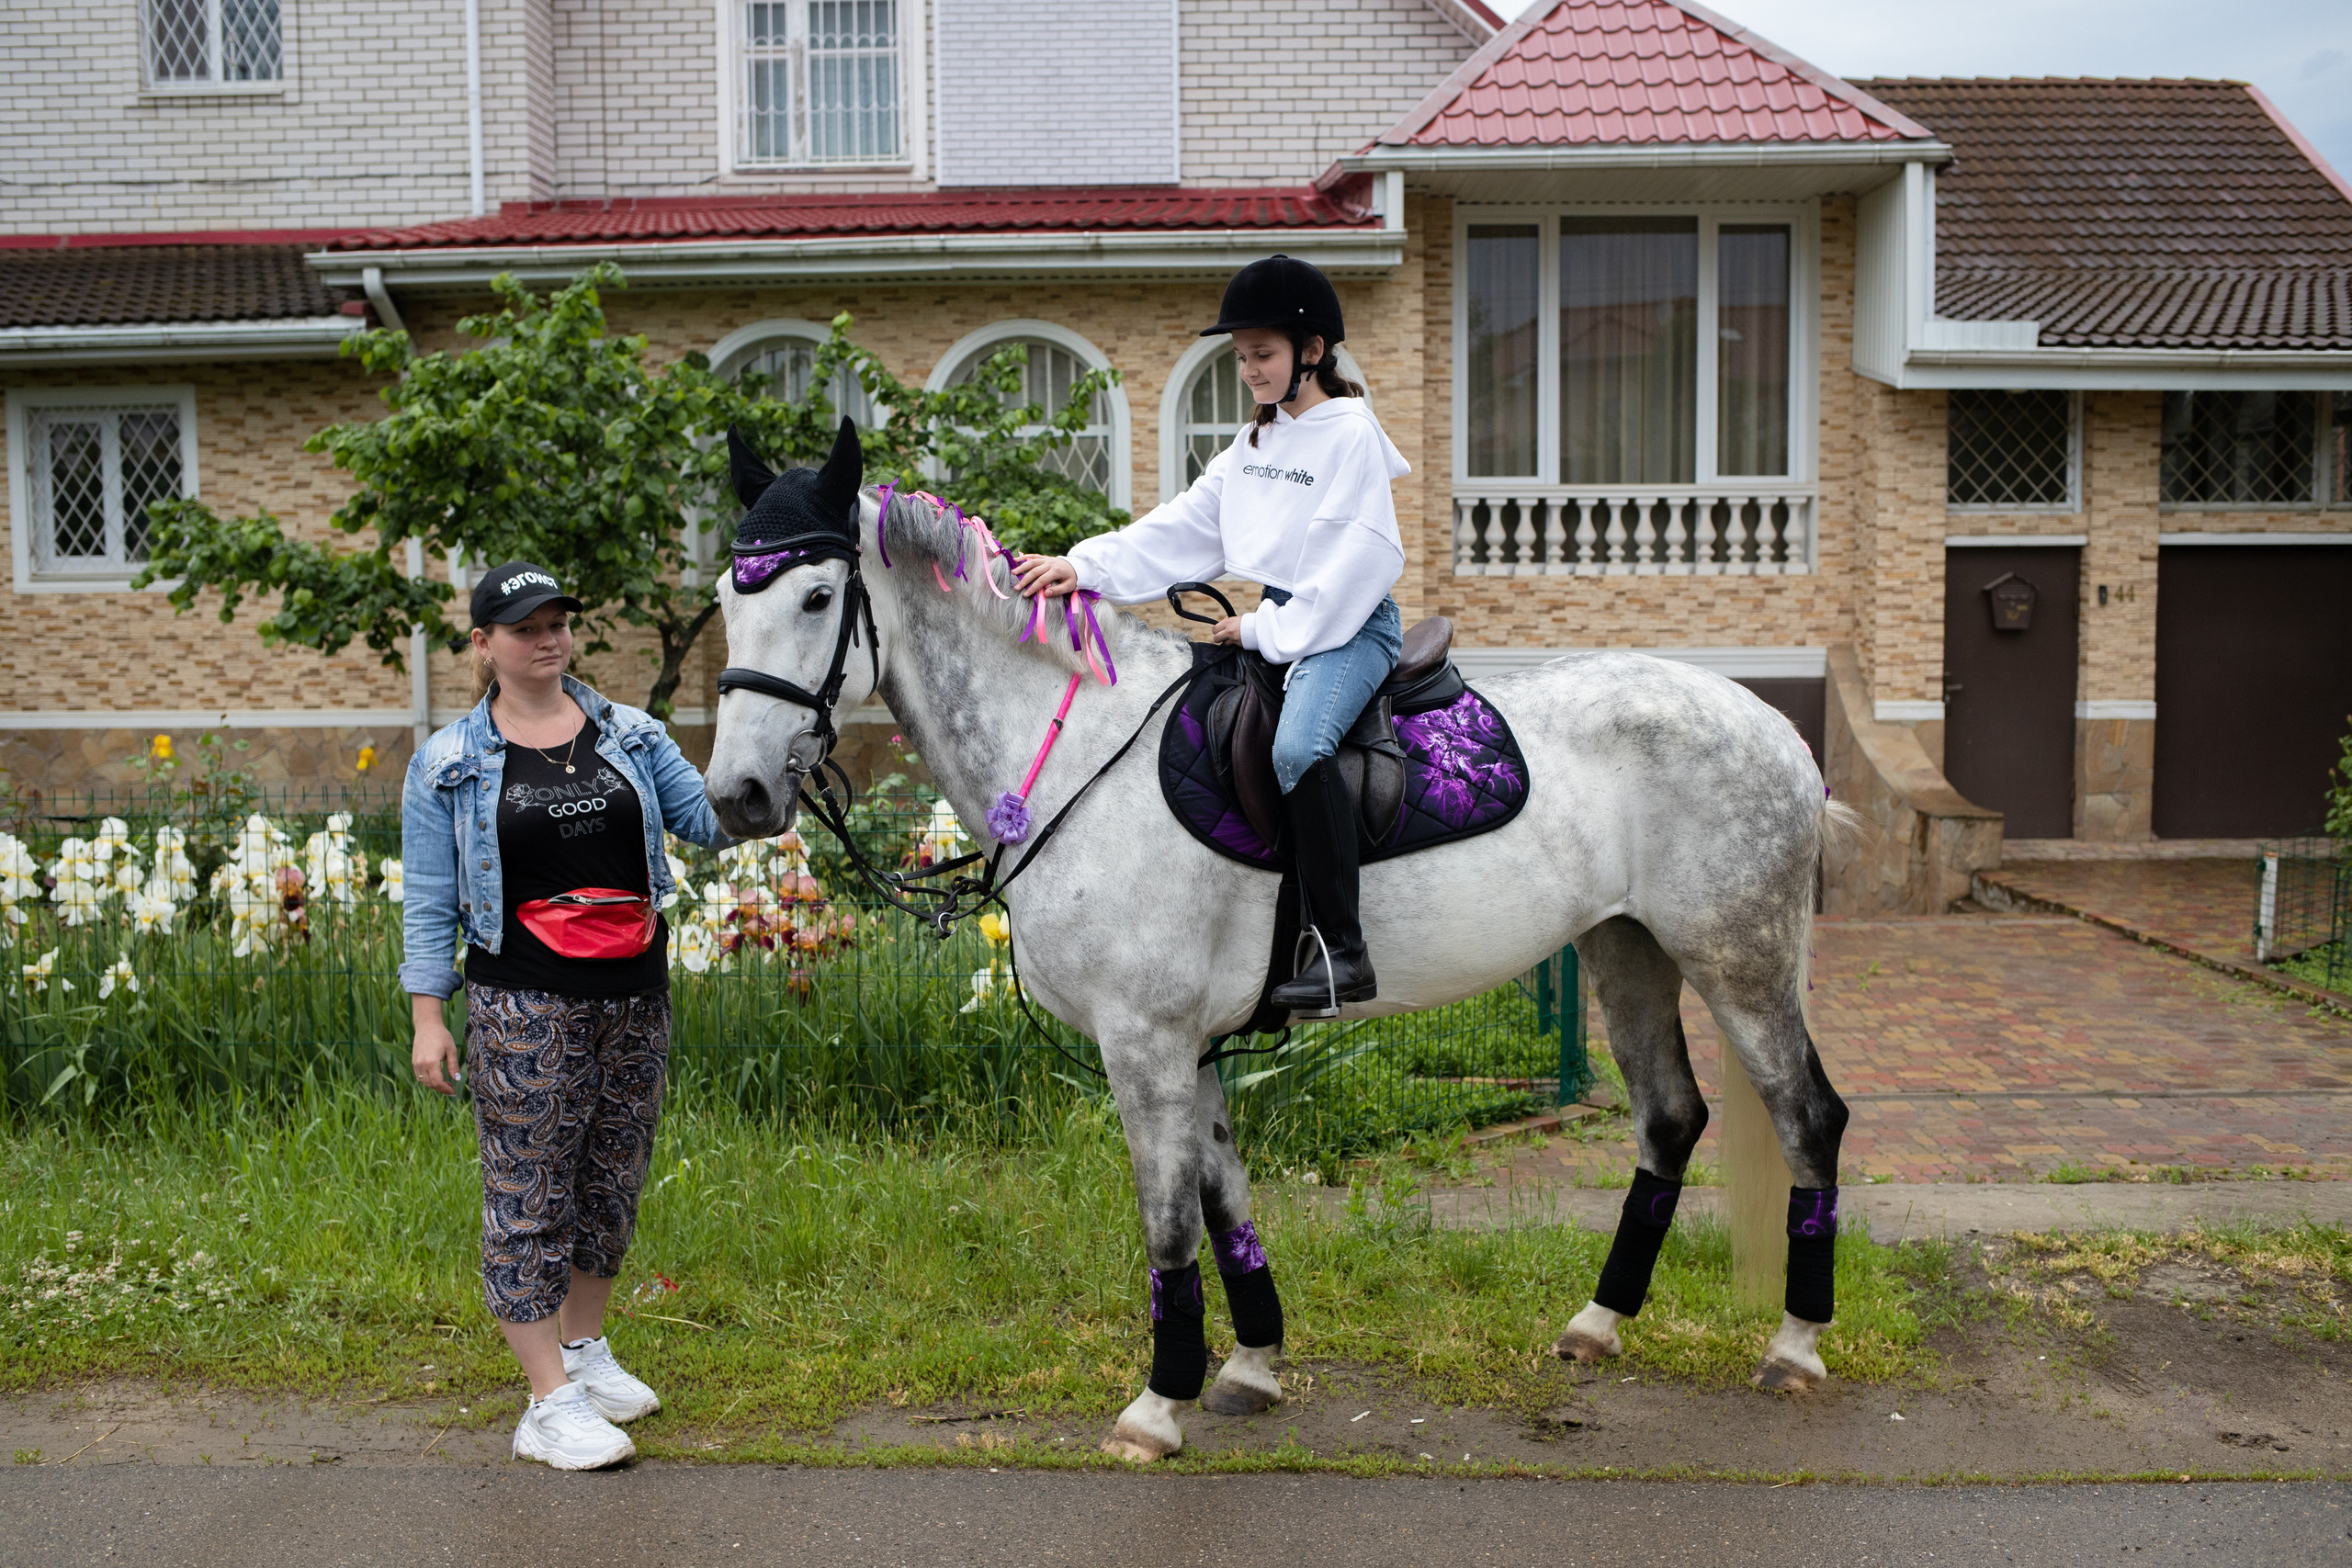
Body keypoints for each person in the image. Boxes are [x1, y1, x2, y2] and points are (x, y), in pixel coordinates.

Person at [1012, 254, 1408, 1013]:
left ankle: (1345, 955)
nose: (1250, 370)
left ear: (1311, 352)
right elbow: (1188, 525)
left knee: (1297, 746)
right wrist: (1081, 565)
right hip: (1284, 618)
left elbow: (1354, 569)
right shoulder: (1256, 440)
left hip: (1348, 625)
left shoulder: (1350, 435)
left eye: (1263, 354)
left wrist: (1263, 627)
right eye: (1242, 358)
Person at [401, 561, 729, 1471]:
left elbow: (704, 821)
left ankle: (582, 1352)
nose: (546, 639)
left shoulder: (630, 732)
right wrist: (430, 1018)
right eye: (523, 626)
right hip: (523, 1002)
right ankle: (545, 1404)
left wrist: (769, 764)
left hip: (634, 993)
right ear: (482, 643)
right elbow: (429, 904)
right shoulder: (450, 763)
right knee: (528, 1194)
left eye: (557, 622)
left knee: (610, 1181)